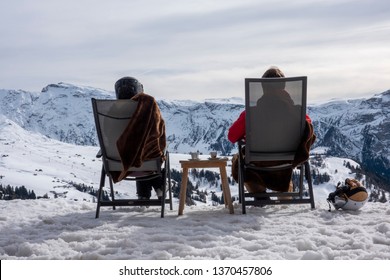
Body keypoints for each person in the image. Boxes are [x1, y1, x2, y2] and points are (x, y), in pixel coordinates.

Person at [228, 66, 316, 196]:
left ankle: (258, 192)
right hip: (288, 162)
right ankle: (285, 191)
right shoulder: (298, 112)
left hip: (257, 162)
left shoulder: (251, 113)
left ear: (263, 87)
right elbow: (308, 130)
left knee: (237, 159)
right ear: (284, 87)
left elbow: (232, 136)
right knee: (283, 163)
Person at [114, 76, 166, 200]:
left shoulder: (111, 111)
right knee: (142, 150)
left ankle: (143, 194)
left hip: (118, 163)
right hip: (149, 164)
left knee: (133, 150)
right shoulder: (149, 108)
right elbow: (160, 133)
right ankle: (159, 186)